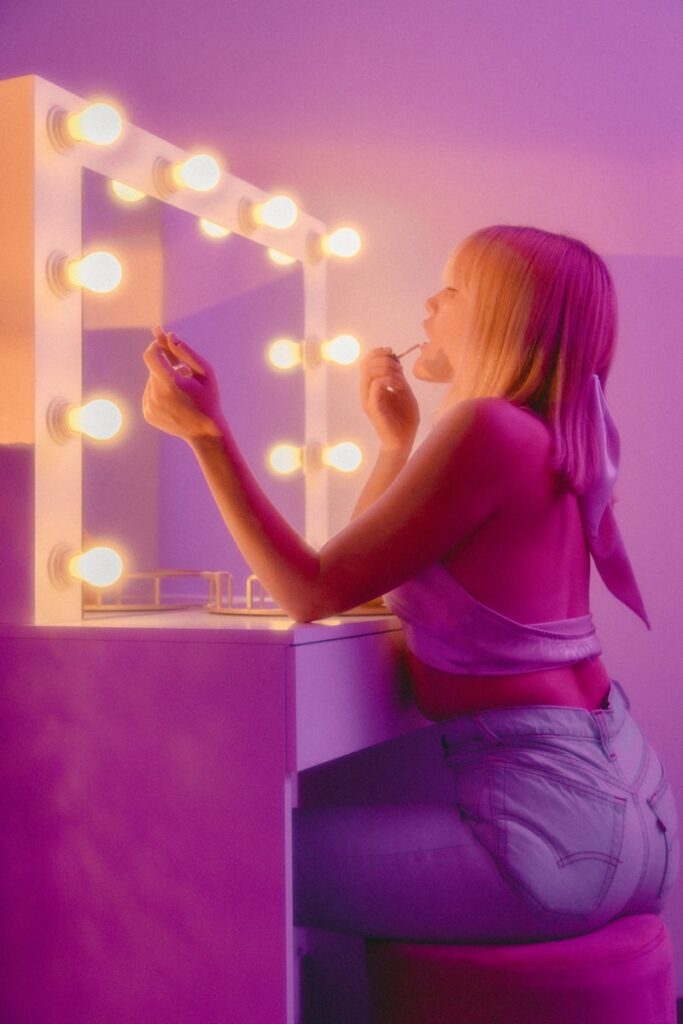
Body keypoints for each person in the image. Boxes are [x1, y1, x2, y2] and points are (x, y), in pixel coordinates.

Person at [142, 224, 679, 943]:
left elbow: (312, 592)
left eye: (451, 288)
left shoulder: (487, 428)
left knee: (203, 856)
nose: (429, 302)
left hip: (562, 828)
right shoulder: (546, 439)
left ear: (498, 316)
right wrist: (393, 443)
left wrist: (208, 438)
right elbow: (365, 580)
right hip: (631, 811)